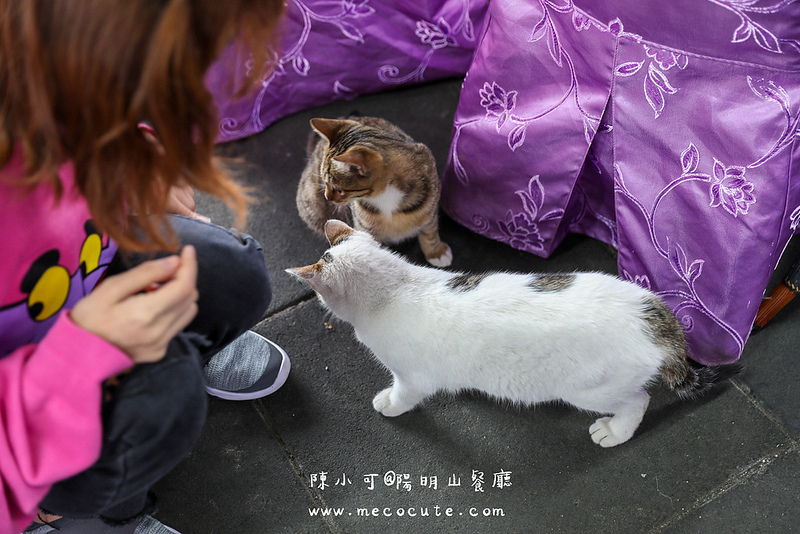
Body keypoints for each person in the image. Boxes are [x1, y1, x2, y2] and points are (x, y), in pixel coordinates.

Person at [0, 0, 288, 532]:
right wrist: (80, 358)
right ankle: (80, 514)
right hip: (21, 418)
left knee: (231, 275)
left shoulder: (42, 80)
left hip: (82, 285)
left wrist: (131, 154)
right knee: (159, 396)